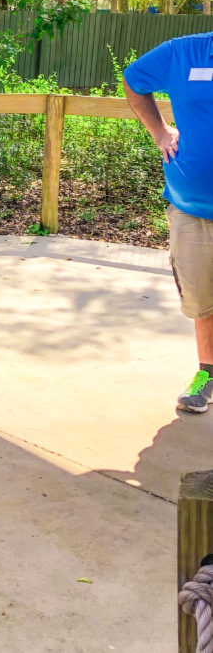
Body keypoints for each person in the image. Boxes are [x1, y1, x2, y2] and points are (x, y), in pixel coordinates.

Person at [123, 31, 213, 413]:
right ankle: (207, 374)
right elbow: (133, 79)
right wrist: (159, 131)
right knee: (203, 300)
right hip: (191, 208)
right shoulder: (183, 52)